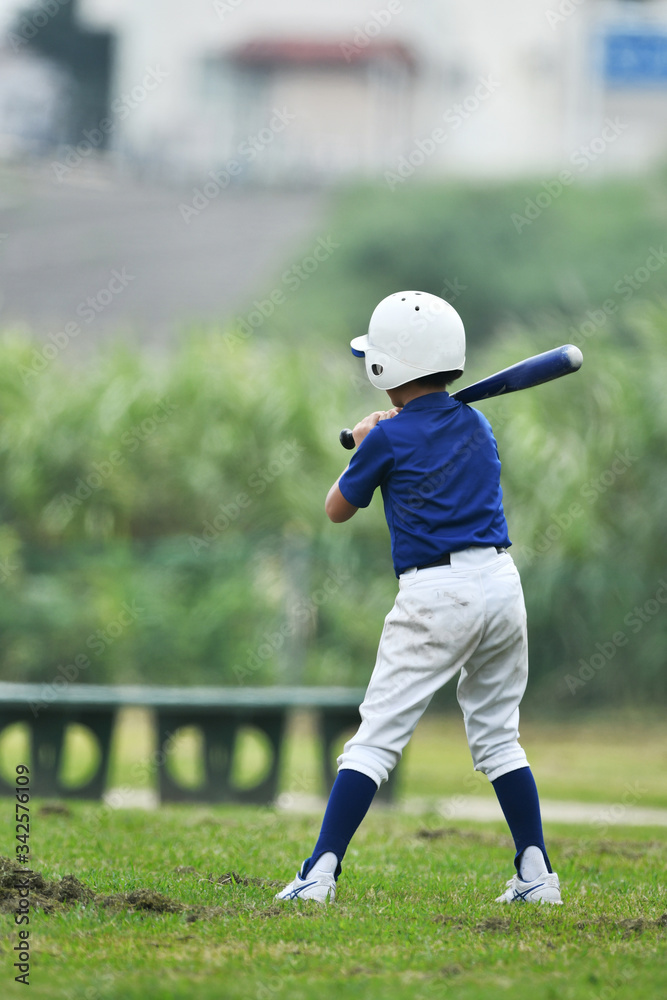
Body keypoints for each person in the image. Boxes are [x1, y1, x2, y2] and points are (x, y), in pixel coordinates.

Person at [276, 290, 561, 905]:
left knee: (375, 739)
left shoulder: (388, 438)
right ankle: (536, 874)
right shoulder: (476, 422)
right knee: (499, 737)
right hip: (500, 585)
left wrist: (365, 439)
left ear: (386, 368)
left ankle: (318, 873)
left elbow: (335, 509)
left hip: (436, 595)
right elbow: (434, 450)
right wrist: (381, 434)